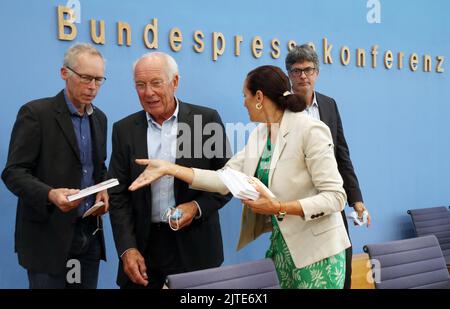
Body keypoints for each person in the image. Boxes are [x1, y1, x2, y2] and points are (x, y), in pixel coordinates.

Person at [129, 65, 351, 289]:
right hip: (283, 249)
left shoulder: (311, 130)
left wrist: (279, 207)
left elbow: (335, 197)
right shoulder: (260, 134)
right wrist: (170, 168)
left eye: (245, 96)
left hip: (318, 253)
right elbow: (223, 179)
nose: (243, 102)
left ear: (259, 97)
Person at [107, 52, 232, 289]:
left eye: (156, 83)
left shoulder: (204, 121)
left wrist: (195, 208)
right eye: (140, 85)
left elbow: (228, 181)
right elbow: (118, 194)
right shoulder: (124, 130)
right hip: (143, 250)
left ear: (175, 82)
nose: (148, 92)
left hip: (196, 248)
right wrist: (127, 248)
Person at [1, 43, 109, 289]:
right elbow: (13, 173)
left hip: (88, 235)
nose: (92, 87)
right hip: (47, 239)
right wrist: (50, 194)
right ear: (64, 73)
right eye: (85, 78)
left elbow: (97, 167)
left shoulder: (100, 118)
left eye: (99, 79)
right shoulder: (36, 113)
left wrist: (103, 189)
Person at [285, 44, 371, 289]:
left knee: (342, 268)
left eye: (309, 70)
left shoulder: (329, 104)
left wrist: (356, 200)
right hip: (298, 206)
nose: (303, 75)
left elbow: (342, 156)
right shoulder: (279, 109)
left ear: (317, 73)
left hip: (331, 201)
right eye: (297, 70)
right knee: (306, 275)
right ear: (289, 75)